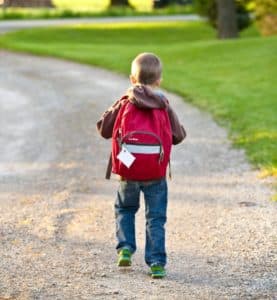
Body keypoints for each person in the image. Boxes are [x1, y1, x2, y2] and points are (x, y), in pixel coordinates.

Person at [96, 52, 186, 279]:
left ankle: (125, 247)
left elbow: (104, 129)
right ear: (159, 81)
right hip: (155, 172)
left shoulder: (125, 101)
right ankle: (156, 263)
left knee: (125, 209)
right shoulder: (163, 104)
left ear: (131, 79)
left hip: (129, 171)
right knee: (155, 217)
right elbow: (178, 136)